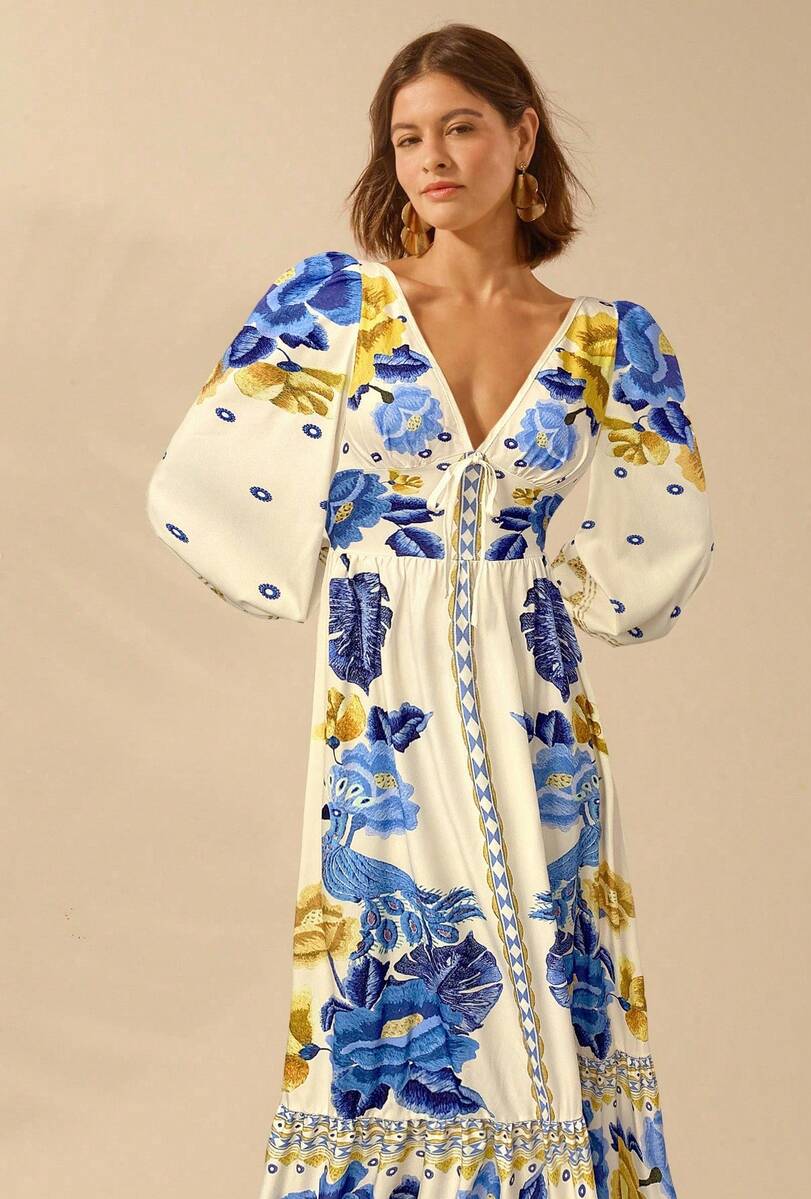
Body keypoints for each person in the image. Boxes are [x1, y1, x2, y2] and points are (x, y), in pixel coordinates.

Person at [146, 21, 714, 1199]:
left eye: (460, 127)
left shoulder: (605, 341)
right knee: (399, 991)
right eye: (407, 138)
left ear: (523, 135)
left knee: (549, 992)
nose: (432, 158)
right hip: (382, 725)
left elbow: (659, 541)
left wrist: (539, 597)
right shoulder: (336, 308)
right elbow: (205, 485)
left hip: (539, 720)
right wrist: (360, 568)